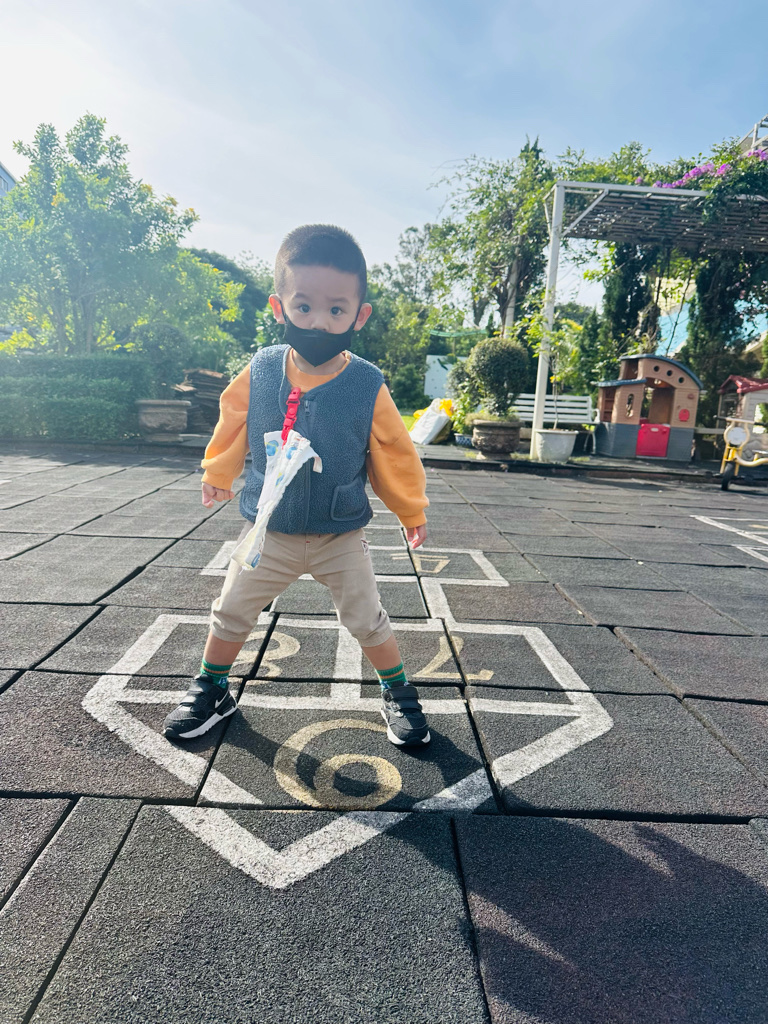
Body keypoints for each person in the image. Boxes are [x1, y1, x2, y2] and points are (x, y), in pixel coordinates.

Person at [163, 224, 431, 747]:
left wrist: (410, 509)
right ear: (279, 307)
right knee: (231, 608)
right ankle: (212, 686)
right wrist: (218, 472)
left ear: (359, 316)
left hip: (338, 534)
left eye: (336, 310)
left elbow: (393, 449)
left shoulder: (366, 383)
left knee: (367, 617)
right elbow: (233, 418)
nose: (319, 322)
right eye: (303, 306)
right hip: (270, 531)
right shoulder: (263, 369)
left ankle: (397, 689)